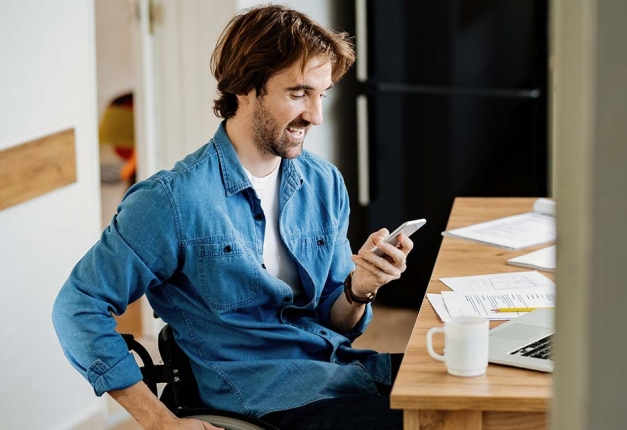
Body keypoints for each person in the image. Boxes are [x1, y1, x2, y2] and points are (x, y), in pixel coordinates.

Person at [52, 5, 412, 429]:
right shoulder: (171, 201)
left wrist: (360, 287)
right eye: (298, 93)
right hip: (270, 401)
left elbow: (335, 325)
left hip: (341, 371)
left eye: (322, 94)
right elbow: (77, 306)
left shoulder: (324, 183)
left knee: (479, 390)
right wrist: (161, 422)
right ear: (245, 87)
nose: (315, 115)